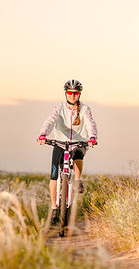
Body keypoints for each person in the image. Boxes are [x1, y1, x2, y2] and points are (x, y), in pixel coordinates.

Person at [37, 79, 98, 220]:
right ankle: (54, 208)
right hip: (59, 143)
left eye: (75, 93)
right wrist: (43, 134)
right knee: (54, 174)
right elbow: (50, 120)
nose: (72, 95)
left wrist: (92, 137)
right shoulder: (59, 108)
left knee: (78, 154)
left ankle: (77, 180)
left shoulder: (84, 109)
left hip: (78, 143)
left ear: (79, 94)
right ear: (66, 93)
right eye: (70, 93)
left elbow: (90, 123)